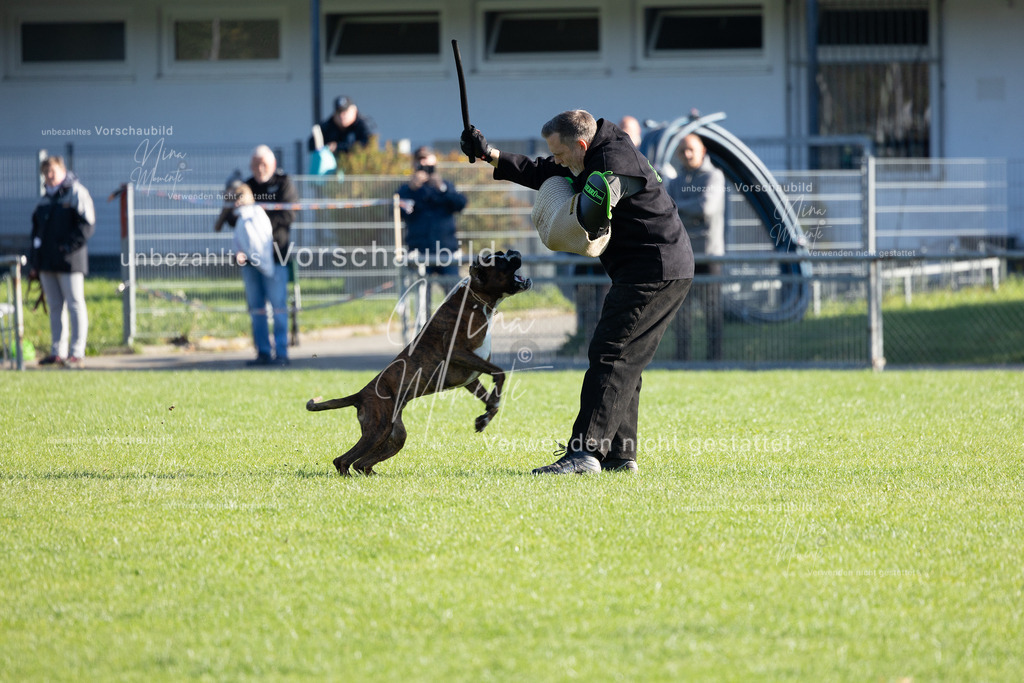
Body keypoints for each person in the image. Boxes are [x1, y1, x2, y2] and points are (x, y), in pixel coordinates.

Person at [462, 110, 694, 474]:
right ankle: (620, 456)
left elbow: (609, 192)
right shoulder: (588, 157)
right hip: (656, 267)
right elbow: (545, 171)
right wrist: (488, 153)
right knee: (625, 359)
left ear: (581, 144)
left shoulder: (615, 160)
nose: (555, 160)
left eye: (559, 153)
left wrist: (594, 206)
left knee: (610, 354)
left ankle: (584, 453)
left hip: (654, 269)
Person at [222, 145, 298, 366]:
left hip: (277, 257)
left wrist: (259, 221)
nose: (259, 168)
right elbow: (231, 220)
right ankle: (263, 352)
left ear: (272, 164)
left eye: (263, 163)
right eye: (255, 164)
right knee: (257, 309)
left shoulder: (284, 184)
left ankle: (281, 353)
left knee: (278, 307)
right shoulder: (247, 186)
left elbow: (288, 215)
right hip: (250, 260)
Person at [28, 156, 95, 369]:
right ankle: (58, 352)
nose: (49, 176)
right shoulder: (44, 201)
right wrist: (35, 264)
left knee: (75, 304)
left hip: (70, 262)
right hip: (47, 264)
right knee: (55, 307)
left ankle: (77, 353)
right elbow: (36, 234)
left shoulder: (76, 192)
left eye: (52, 171)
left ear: (62, 171)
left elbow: (87, 226)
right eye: (45, 173)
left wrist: (66, 247)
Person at [667, 133, 726, 361]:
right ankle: (682, 359)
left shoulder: (714, 177)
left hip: (708, 257)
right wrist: (683, 210)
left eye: (691, 149)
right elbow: (666, 210)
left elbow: (706, 208)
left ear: (703, 151)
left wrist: (676, 208)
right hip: (682, 257)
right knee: (680, 313)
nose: (687, 154)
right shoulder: (675, 180)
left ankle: (715, 360)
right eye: (682, 151)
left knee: (712, 313)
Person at [398, 146, 468, 278]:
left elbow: (460, 204)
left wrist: (442, 188)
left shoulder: (445, 185)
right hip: (420, 250)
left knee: (453, 292)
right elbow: (398, 212)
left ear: (434, 161)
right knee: (423, 293)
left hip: (446, 250)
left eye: (426, 159)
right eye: (420, 160)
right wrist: (412, 189)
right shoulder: (407, 189)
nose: (423, 164)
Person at [308, 95, 376, 157]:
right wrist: (326, 148)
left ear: (354, 110)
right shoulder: (328, 125)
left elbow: (368, 144)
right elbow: (311, 145)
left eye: (345, 111)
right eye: (339, 112)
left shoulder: (364, 125)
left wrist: (338, 148)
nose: (342, 116)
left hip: (359, 166)